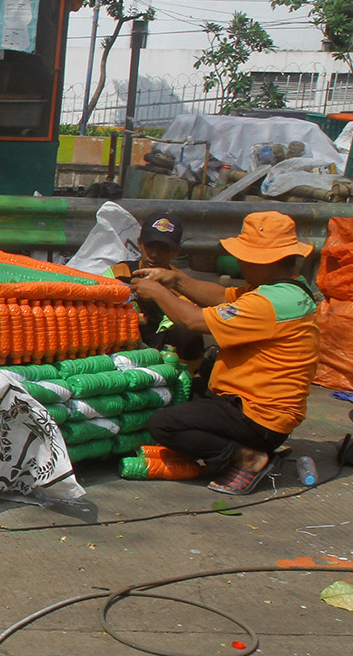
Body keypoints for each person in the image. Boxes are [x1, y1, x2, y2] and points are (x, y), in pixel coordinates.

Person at [128, 211, 320, 495]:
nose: (240, 263)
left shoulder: (269, 303)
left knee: (164, 424)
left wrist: (157, 292)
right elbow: (220, 296)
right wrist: (175, 280)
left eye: (245, 257)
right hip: (269, 413)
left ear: (264, 261)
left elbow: (194, 320)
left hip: (258, 415)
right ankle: (247, 446)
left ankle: (248, 456)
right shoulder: (287, 289)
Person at [113, 212, 206, 367]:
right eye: (150, 246)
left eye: (164, 249)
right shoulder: (118, 272)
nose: (155, 255)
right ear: (140, 244)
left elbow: (184, 322)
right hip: (122, 337)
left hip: (162, 347)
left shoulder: (183, 286)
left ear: (176, 251)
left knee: (189, 335)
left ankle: (178, 379)